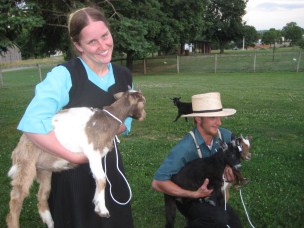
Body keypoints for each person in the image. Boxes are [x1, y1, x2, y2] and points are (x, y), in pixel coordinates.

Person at [17, 6, 134, 228]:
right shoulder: (65, 76)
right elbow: (32, 124)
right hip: (72, 177)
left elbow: (125, 122)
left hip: (109, 167)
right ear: (78, 45)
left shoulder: (123, 75)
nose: (103, 46)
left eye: (105, 36)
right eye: (92, 42)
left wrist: (103, 139)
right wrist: (74, 156)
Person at [152, 92, 242, 228]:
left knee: (234, 223)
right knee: (217, 220)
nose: (219, 122)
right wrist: (194, 194)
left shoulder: (226, 136)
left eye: (219, 117)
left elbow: (235, 156)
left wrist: (230, 169)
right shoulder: (185, 148)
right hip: (188, 198)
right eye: (213, 118)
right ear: (199, 119)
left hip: (213, 192)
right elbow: (158, 183)